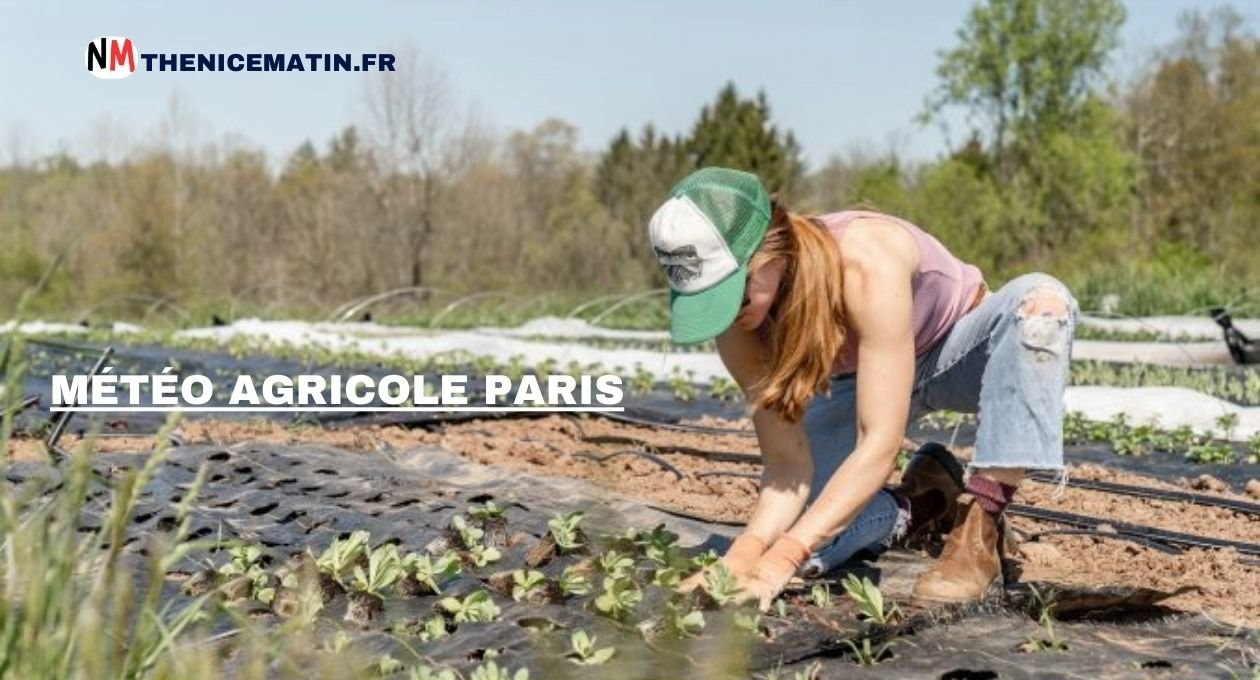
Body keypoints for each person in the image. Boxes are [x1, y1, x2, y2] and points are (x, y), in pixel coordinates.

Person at [651, 167, 1078, 609]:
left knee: (1043, 305)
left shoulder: (863, 260)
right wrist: (746, 554)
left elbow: (878, 443)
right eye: (709, 302)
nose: (730, 315)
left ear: (771, 251)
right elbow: (786, 467)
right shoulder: (739, 327)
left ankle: (981, 526)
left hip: (957, 352)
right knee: (810, 533)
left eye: (734, 295)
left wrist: (783, 557)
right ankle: (922, 501)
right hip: (861, 381)